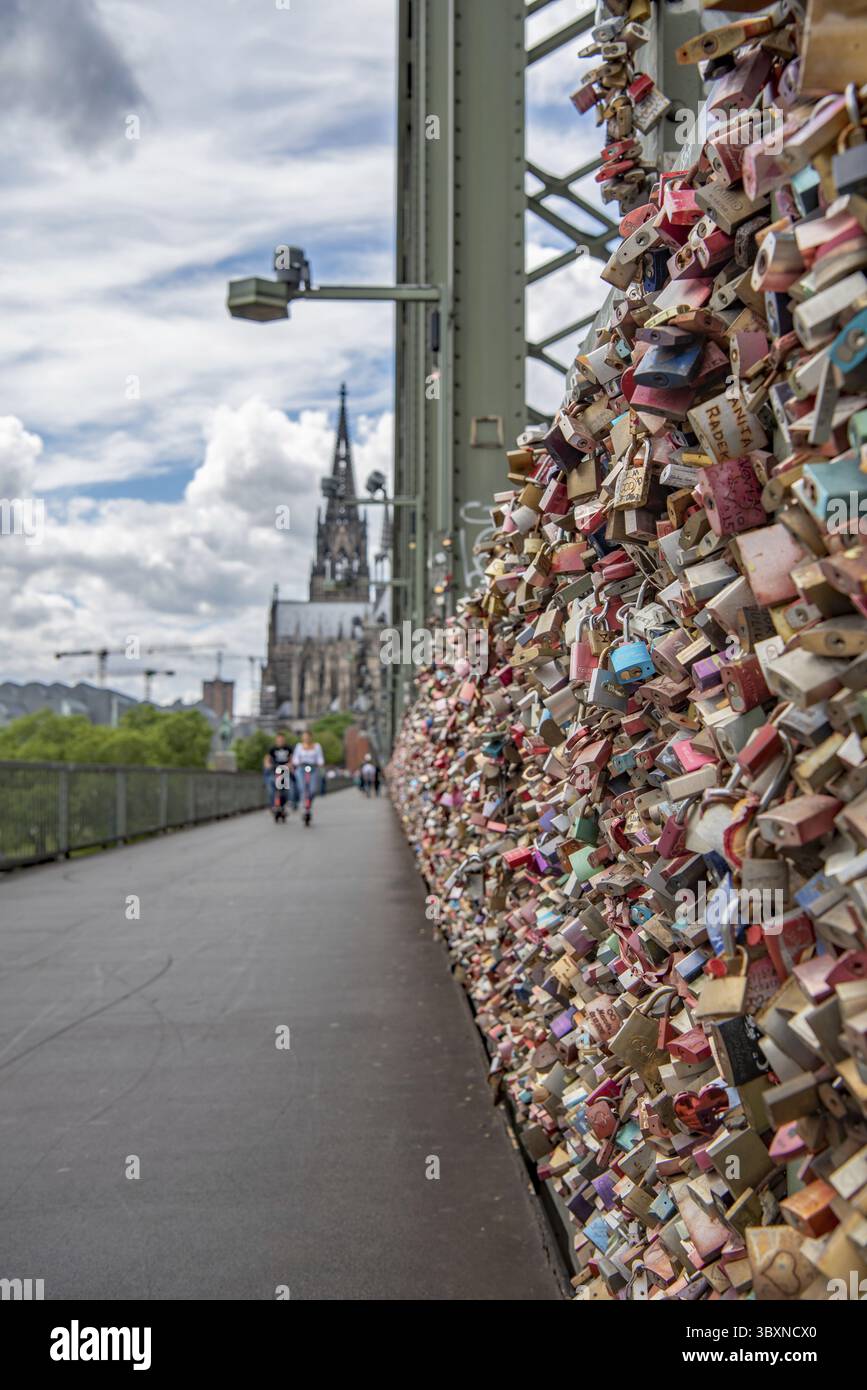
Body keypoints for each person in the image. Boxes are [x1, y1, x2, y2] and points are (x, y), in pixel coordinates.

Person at [291, 730, 326, 823]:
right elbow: (295, 758)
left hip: (313, 769)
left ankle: (309, 805)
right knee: (303, 789)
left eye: (307, 737)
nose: (306, 738)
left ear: (311, 737)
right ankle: (304, 808)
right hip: (301, 769)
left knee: (312, 790)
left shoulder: (317, 746)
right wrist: (297, 763)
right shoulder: (299, 746)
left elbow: (320, 758)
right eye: (304, 737)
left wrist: (320, 763)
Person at [267, 731, 296, 819]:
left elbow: (292, 759)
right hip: (274, 770)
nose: (280, 741)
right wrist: (268, 765)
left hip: (285, 771)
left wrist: (290, 765)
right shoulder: (272, 749)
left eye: (282, 740)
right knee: (272, 788)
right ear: (276, 740)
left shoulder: (288, 748)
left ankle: (284, 805)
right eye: (279, 740)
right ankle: (273, 806)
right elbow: (267, 759)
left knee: (285, 791)